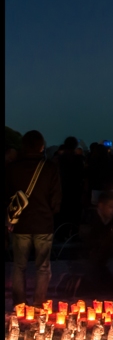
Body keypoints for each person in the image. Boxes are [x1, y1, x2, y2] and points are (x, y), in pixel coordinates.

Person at [6, 130, 62, 308]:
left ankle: (19, 304)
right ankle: (39, 305)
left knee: (19, 266)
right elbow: (56, 198)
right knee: (43, 267)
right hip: (43, 223)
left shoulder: (13, 168)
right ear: (41, 146)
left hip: (20, 224)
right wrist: (51, 212)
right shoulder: (50, 168)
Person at [79, 190, 113, 295]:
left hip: (103, 263)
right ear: (101, 205)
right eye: (111, 207)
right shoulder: (89, 218)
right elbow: (94, 241)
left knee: (111, 290)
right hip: (87, 263)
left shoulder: (111, 219)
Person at [56, 136, 87, 233]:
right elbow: (82, 174)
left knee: (63, 212)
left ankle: (61, 233)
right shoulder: (79, 160)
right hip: (76, 189)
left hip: (63, 189)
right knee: (75, 213)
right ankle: (74, 233)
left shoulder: (59, 159)